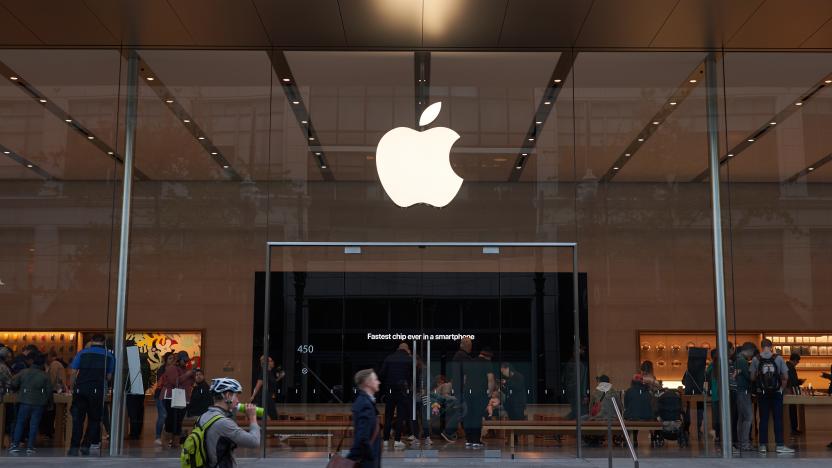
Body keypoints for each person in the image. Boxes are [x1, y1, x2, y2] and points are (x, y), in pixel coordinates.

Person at [196, 377, 261, 468]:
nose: (238, 400)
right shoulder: (223, 423)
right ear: (227, 395)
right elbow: (254, 442)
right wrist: (253, 417)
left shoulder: (202, 417)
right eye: (236, 396)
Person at [68, 334, 114, 456]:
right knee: (94, 420)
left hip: (81, 389)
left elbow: (73, 372)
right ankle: (85, 445)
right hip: (96, 391)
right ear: (104, 342)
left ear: (91, 341)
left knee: (78, 420)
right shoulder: (109, 356)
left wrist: (72, 387)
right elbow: (109, 376)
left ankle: (73, 447)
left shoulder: (82, 353)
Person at [750, 338, 794, 453]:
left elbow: (752, 378)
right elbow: (785, 377)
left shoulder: (756, 359)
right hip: (776, 393)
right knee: (778, 418)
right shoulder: (778, 358)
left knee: (763, 419)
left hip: (762, 393)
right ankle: (779, 445)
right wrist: (780, 389)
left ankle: (762, 446)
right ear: (771, 346)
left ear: (761, 346)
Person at [9, 352, 52, 455]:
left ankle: (15, 445)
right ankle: (30, 447)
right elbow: (49, 391)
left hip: (24, 401)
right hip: (39, 403)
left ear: (32, 362)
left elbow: (13, 383)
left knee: (20, 423)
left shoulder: (23, 372)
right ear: (42, 365)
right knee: (34, 425)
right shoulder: (45, 376)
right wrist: (49, 404)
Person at [379, 342, 412, 449]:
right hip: (402, 390)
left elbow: (382, 374)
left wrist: (385, 386)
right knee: (400, 416)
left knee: (388, 415)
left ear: (398, 349)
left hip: (390, 390)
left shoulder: (389, 358)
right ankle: (397, 440)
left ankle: (385, 440)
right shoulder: (409, 359)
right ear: (407, 350)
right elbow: (412, 376)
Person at [347, 369, 382, 468]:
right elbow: (362, 437)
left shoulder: (365, 402)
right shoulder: (365, 404)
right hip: (367, 463)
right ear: (368, 383)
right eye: (375, 379)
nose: (378, 382)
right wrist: (371, 456)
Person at [160, 350, 195, 448]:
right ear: (179, 360)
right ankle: (165, 441)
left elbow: (190, 383)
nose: (186, 362)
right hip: (171, 396)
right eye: (184, 360)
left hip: (182, 397)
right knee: (171, 419)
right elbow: (174, 381)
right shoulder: (172, 368)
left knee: (179, 420)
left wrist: (192, 376)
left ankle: (176, 442)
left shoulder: (186, 369)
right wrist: (188, 375)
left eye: (187, 360)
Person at [462, 348, 495, 448]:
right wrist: (490, 392)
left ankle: (469, 440)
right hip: (480, 393)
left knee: (468, 416)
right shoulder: (487, 363)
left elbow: (464, 379)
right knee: (477, 416)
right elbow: (490, 379)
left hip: (468, 392)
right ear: (488, 357)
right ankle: (476, 441)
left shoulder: (469, 363)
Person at [40, 349, 67, 440]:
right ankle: (51, 432)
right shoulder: (59, 364)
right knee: (53, 413)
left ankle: (49, 432)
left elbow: (52, 379)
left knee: (50, 413)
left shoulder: (54, 364)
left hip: (54, 391)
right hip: (58, 390)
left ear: (50, 356)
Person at [623, 374, 655, 448]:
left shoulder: (629, 391)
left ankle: (634, 439)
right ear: (642, 381)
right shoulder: (648, 391)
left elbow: (626, 405)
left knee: (632, 415)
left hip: (632, 417)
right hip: (647, 417)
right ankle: (653, 438)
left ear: (632, 381)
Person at [249, 356, 283, 420]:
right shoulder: (264, 372)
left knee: (269, 416)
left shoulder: (270, 372)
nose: (273, 362)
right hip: (265, 397)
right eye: (271, 361)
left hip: (268, 397)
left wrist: (279, 378)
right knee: (272, 416)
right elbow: (258, 385)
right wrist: (253, 396)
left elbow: (271, 384)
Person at [735, 342, 754, 451]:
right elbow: (750, 377)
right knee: (748, 417)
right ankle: (744, 443)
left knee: (741, 418)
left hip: (739, 391)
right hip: (744, 391)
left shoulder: (738, 359)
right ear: (749, 350)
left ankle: (741, 442)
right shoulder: (742, 361)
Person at [153, 352, 174, 445]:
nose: (172, 360)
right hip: (160, 395)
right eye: (170, 358)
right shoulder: (162, 369)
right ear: (165, 360)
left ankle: (167, 435)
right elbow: (162, 382)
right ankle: (158, 436)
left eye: (173, 358)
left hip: (170, 395)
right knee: (163, 415)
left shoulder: (175, 369)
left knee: (169, 416)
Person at [704, 349, 721, 443]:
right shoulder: (723, 365)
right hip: (723, 396)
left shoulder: (710, 367)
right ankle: (723, 435)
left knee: (715, 417)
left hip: (714, 395)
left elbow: (706, 379)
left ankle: (717, 436)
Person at [786, 352, 803, 436]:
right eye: (798, 361)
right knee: (792, 410)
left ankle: (793, 428)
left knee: (791, 410)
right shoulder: (791, 367)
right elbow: (793, 380)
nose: (798, 363)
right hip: (791, 390)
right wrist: (799, 382)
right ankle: (794, 429)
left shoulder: (786, 365)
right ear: (795, 360)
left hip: (788, 390)